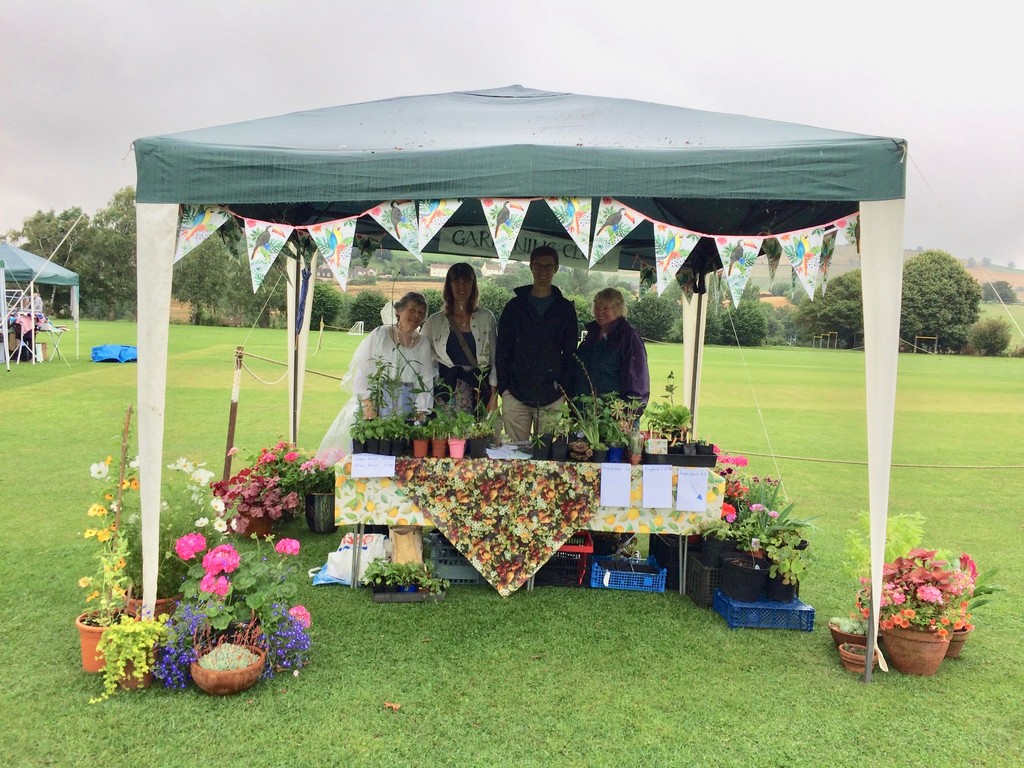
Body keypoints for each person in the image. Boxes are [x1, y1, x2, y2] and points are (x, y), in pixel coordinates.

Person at [316, 291, 435, 464]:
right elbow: (364, 370)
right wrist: (368, 405)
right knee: (369, 457)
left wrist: (421, 412)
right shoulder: (380, 334)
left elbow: (426, 379)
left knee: (403, 461)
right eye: (412, 309)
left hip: (408, 412)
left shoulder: (423, 343)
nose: (416, 315)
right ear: (399, 311)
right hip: (376, 405)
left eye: (421, 312)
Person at [495, 245, 578, 443]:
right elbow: (502, 350)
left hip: (552, 396)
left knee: (548, 457)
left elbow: (570, 353)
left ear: (556, 268)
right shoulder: (514, 307)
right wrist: (504, 389)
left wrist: (563, 390)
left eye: (548, 266)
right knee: (516, 457)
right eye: (539, 266)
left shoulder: (565, 309)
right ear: (531, 267)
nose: (543, 271)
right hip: (515, 395)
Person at [421, 262, 498, 415]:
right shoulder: (434, 322)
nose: (461, 287)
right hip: (445, 394)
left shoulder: (486, 318)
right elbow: (421, 358)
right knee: (446, 438)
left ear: (473, 285)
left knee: (480, 438)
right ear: (449, 286)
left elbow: (495, 360)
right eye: (456, 282)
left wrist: (494, 396)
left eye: (466, 282)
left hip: (479, 392)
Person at [572, 287, 650, 415]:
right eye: (597, 308)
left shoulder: (628, 337)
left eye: (605, 308)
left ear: (618, 310)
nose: (600, 312)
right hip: (586, 413)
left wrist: (628, 414)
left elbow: (637, 380)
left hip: (615, 416)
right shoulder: (591, 336)